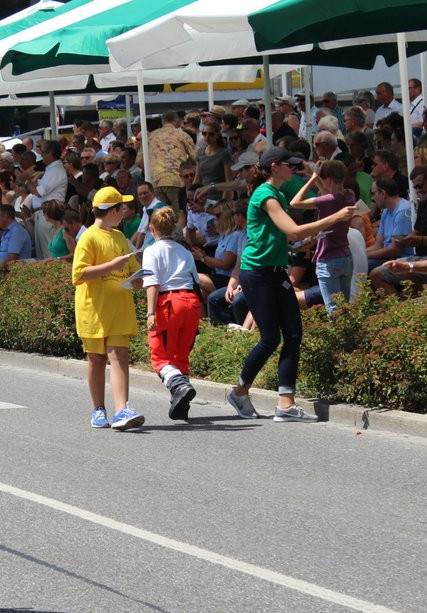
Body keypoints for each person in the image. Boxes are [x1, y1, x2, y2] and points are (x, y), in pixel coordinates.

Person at [227, 147, 353, 423]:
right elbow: (293, 229)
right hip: (258, 273)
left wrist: (300, 243)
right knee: (270, 338)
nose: (293, 168)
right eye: (289, 164)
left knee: (294, 334)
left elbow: (283, 236)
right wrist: (336, 217)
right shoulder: (266, 195)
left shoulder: (279, 195)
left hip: (275, 272)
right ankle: (239, 391)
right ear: (274, 167)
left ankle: (286, 403)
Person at [72, 186, 145, 431]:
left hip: (119, 306)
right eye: (120, 207)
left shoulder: (119, 237)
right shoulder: (89, 237)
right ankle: (98, 409)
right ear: (112, 211)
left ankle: (122, 409)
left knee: (119, 356)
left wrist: (137, 280)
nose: (124, 212)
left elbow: (132, 269)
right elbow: (79, 273)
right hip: (93, 308)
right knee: (96, 358)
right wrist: (112, 266)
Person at [143, 206, 201, 421]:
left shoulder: (152, 251)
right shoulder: (184, 251)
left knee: (160, 357)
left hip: (169, 303)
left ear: (151, 229)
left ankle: (179, 387)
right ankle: (179, 404)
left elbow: (153, 283)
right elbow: (196, 281)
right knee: (180, 355)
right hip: (191, 302)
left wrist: (150, 313)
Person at [289, 161, 356, 313]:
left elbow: (295, 202)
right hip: (346, 258)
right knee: (344, 307)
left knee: (333, 310)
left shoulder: (330, 201)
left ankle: (340, 337)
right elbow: (327, 194)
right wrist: (313, 175)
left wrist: (312, 178)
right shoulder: (349, 194)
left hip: (329, 259)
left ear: (329, 179)